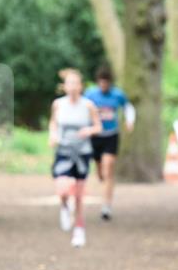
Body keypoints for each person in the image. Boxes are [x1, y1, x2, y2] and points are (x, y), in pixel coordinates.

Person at [49, 68, 103, 248]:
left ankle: (79, 230)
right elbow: (53, 123)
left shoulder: (88, 105)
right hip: (63, 151)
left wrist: (89, 130)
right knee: (62, 189)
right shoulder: (58, 104)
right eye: (69, 83)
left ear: (81, 86)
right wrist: (53, 136)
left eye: (75, 83)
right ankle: (65, 206)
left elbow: (98, 127)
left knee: (79, 194)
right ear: (64, 86)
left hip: (82, 152)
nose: (72, 87)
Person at [84, 65, 135, 220]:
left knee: (108, 169)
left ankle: (106, 206)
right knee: (100, 172)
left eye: (106, 82)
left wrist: (129, 121)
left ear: (110, 83)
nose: (103, 85)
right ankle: (102, 179)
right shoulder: (90, 94)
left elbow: (128, 108)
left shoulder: (117, 95)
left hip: (111, 136)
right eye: (101, 82)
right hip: (95, 136)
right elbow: (82, 108)